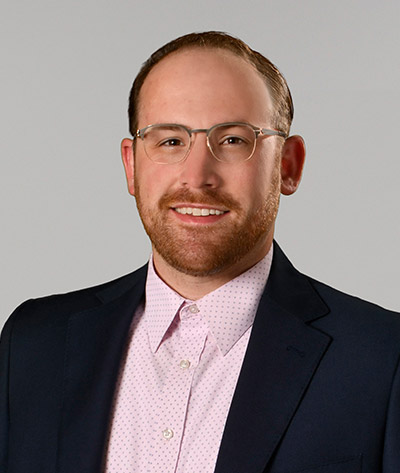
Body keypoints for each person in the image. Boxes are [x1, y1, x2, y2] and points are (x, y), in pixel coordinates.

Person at [1, 31, 399, 473]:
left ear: (288, 165)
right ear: (131, 166)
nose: (197, 176)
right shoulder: (33, 344)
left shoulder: (384, 360)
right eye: (170, 140)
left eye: (233, 140)